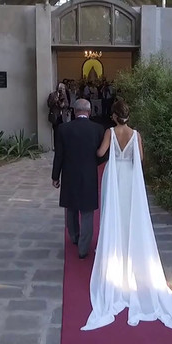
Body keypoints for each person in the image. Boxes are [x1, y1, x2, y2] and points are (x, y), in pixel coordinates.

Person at [81, 98, 172, 333]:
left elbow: (101, 152)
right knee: (129, 217)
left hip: (114, 178)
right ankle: (130, 255)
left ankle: (114, 254)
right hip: (129, 179)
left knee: (114, 217)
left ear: (113, 116)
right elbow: (140, 160)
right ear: (128, 116)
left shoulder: (110, 132)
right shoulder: (135, 134)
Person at [52, 99, 105, 259]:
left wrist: (55, 176)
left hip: (69, 173)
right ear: (89, 112)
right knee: (87, 211)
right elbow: (102, 154)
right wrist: (92, 163)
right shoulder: (98, 129)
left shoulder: (63, 129)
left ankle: (74, 237)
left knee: (72, 207)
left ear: (75, 112)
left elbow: (59, 155)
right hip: (89, 173)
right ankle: (83, 248)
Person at [47, 83, 70, 150]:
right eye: (61, 88)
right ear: (58, 88)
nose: (62, 90)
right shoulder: (52, 95)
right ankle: (56, 147)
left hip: (62, 116)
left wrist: (64, 105)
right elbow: (49, 104)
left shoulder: (64, 95)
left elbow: (67, 104)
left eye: (63, 88)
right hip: (55, 116)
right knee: (56, 132)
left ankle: (63, 146)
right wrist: (55, 101)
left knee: (63, 131)